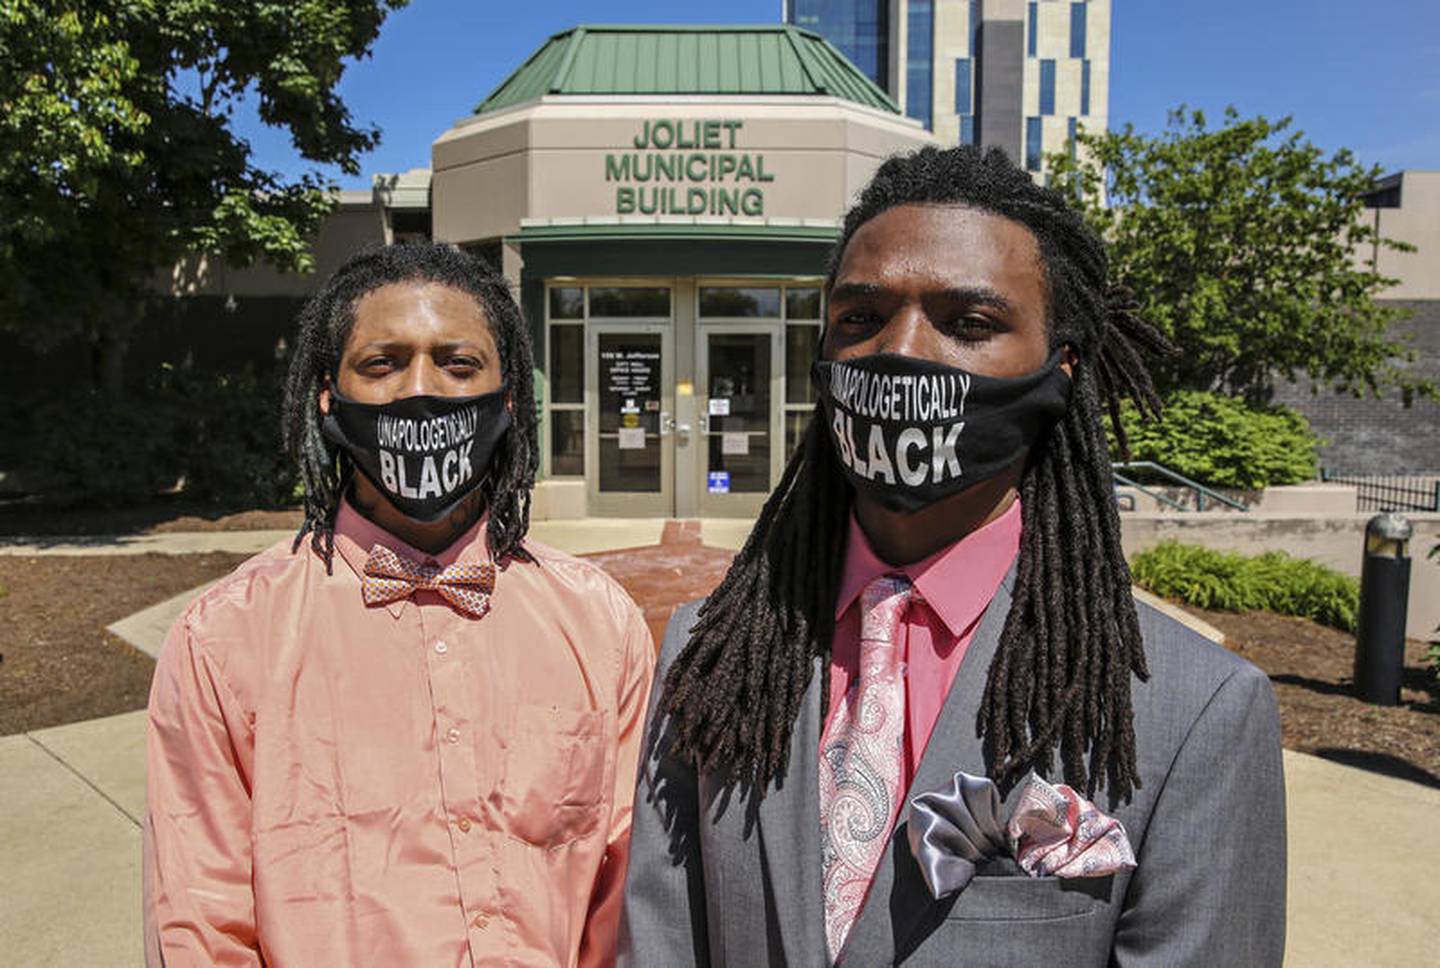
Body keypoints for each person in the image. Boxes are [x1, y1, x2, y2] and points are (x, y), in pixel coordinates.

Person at [619, 146, 1286, 967]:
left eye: (969, 324)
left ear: (1061, 369)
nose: (902, 354)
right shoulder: (709, 651)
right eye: (860, 318)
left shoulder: (1198, 710)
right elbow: (662, 937)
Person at [144, 242, 654, 967]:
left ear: (508, 398)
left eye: (459, 362)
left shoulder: (600, 624)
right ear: (329, 396)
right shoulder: (224, 642)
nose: (424, 390)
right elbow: (199, 928)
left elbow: (628, 899)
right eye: (382, 364)